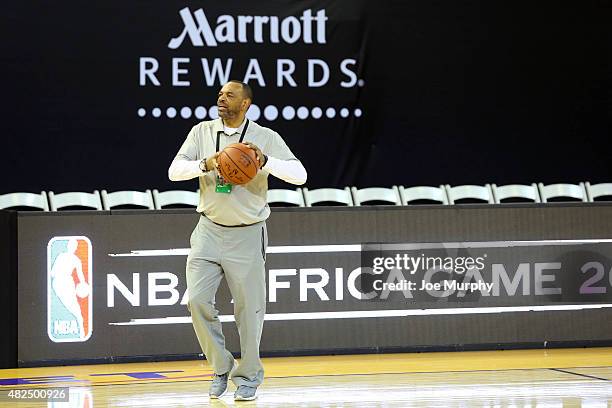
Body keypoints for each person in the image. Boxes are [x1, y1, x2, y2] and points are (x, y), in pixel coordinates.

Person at [168, 80, 307, 401]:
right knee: (196, 301)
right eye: (219, 93)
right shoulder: (201, 132)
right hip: (208, 228)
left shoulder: (265, 137)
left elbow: (300, 175)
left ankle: (249, 377)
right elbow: (174, 171)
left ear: (245, 104)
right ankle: (220, 366)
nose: (221, 98)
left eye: (229, 94)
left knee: (249, 310)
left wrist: (266, 161)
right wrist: (207, 163)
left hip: (247, 232)